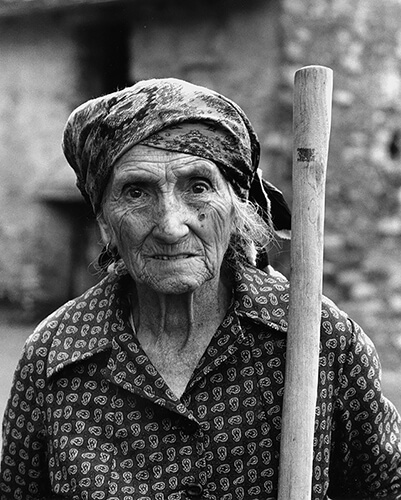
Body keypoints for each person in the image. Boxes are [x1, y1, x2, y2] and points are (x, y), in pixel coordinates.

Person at [1, 78, 400, 500]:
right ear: (105, 223)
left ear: (238, 208)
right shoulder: (54, 359)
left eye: (198, 187)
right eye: (136, 192)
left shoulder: (321, 341)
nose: (171, 226)